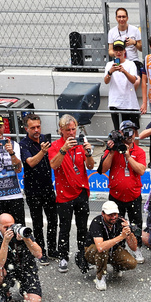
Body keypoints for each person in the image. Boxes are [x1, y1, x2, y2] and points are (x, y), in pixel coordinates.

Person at [48, 114, 96, 274]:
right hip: (64, 195)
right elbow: (54, 165)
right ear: (61, 130)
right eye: (67, 130)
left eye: (73, 129)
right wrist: (64, 150)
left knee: (83, 227)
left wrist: (88, 153)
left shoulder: (80, 145)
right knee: (64, 228)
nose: (71, 132)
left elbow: (90, 167)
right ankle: (63, 256)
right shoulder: (55, 146)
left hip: (81, 192)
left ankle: (82, 256)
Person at [18, 114, 58, 259]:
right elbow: (31, 162)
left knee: (53, 220)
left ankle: (53, 250)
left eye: (38, 126)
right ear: (26, 128)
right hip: (33, 190)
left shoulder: (45, 140)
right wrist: (42, 152)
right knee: (38, 223)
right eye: (33, 127)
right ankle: (41, 253)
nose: (36, 130)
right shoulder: (23, 144)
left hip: (48, 188)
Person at [0, 211, 43, 302]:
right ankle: (5, 293)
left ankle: (25, 290)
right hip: (7, 269)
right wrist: (5, 241)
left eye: (11, 226)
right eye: (5, 227)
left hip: (26, 269)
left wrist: (26, 239)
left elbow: (38, 254)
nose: (10, 229)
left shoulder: (23, 231)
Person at [101, 119, 148, 238]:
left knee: (136, 225)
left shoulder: (139, 151)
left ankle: (137, 247)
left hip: (134, 196)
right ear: (120, 133)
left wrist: (128, 155)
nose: (129, 135)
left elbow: (141, 170)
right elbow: (103, 170)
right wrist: (111, 152)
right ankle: (117, 247)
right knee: (115, 225)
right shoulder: (113, 149)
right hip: (116, 196)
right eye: (126, 132)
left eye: (132, 132)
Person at [85, 200, 140, 292]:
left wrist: (129, 233)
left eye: (115, 214)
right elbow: (100, 247)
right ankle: (100, 276)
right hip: (92, 252)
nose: (113, 217)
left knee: (131, 263)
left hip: (112, 250)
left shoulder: (120, 221)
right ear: (103, 214)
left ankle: (117, 266)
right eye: (110, 215)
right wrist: (121, 237)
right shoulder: (96, 222)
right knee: (103, 250)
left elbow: (134, 247)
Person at [106, 39, 142, 131]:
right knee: (118, 130)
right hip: (115, 101)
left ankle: (134, 146)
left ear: (124, 51)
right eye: (116, 50)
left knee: (133, 130)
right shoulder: (109, 65)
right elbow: (106, 81)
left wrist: (124, 71)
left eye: (120, 50)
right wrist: (110, 72)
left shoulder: (130, 64)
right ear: (113, 51)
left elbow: (134, 80)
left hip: (129, 102)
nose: (118, 52)